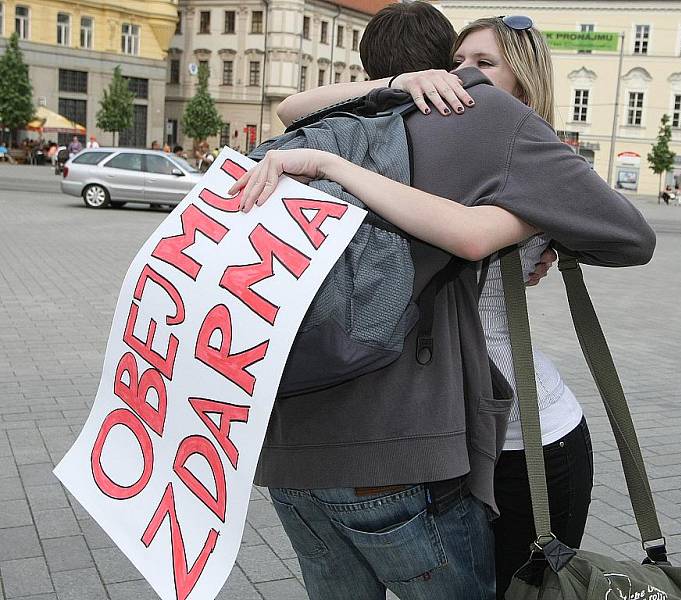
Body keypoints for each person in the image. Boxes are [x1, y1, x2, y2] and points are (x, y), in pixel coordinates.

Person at [234, 6, 655, 600]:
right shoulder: (403, 121)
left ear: (523, 83)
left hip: (527, 433)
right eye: (455, 61)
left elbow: (491, 235)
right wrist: (397, 85)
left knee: (530, 589)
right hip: (453, 429)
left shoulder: (510, 137)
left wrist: (529, 223)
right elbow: (292, 107)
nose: (460, 75)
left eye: (483, 64)